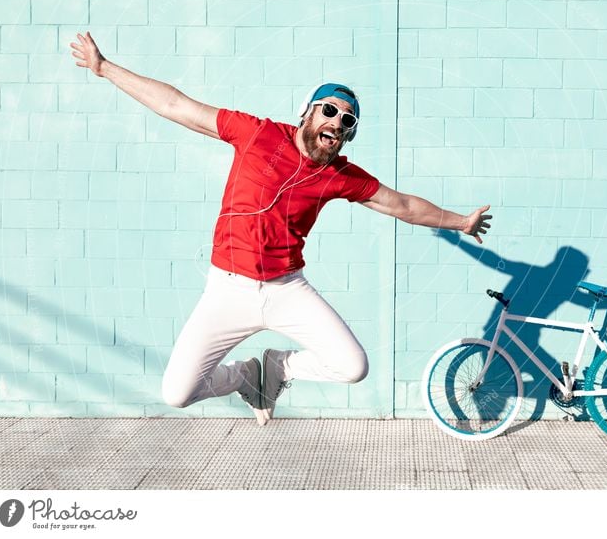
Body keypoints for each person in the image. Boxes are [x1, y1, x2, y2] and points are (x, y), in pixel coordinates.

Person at [70, 31, 492, 425]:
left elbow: (400, 204)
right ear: (308, 113)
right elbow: (177, 105)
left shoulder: (342, 175)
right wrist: (104, 67)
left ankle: (278, 367)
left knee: (353, 366)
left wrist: (461, 222)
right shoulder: (256, 134)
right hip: (228, 290)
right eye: (330, 110)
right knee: (177, 394)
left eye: (348, 121)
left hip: (287, 289)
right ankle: (246, 378)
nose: (337, 122)